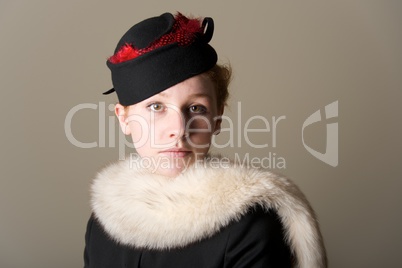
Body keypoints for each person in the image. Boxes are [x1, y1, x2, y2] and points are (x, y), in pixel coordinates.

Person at [84, 12, 327, 268]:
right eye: (156, 107)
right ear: (124, 119)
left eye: (196, 108)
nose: (179, 130)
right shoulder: (102, 223)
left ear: (217, 118)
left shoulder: (250, 227)